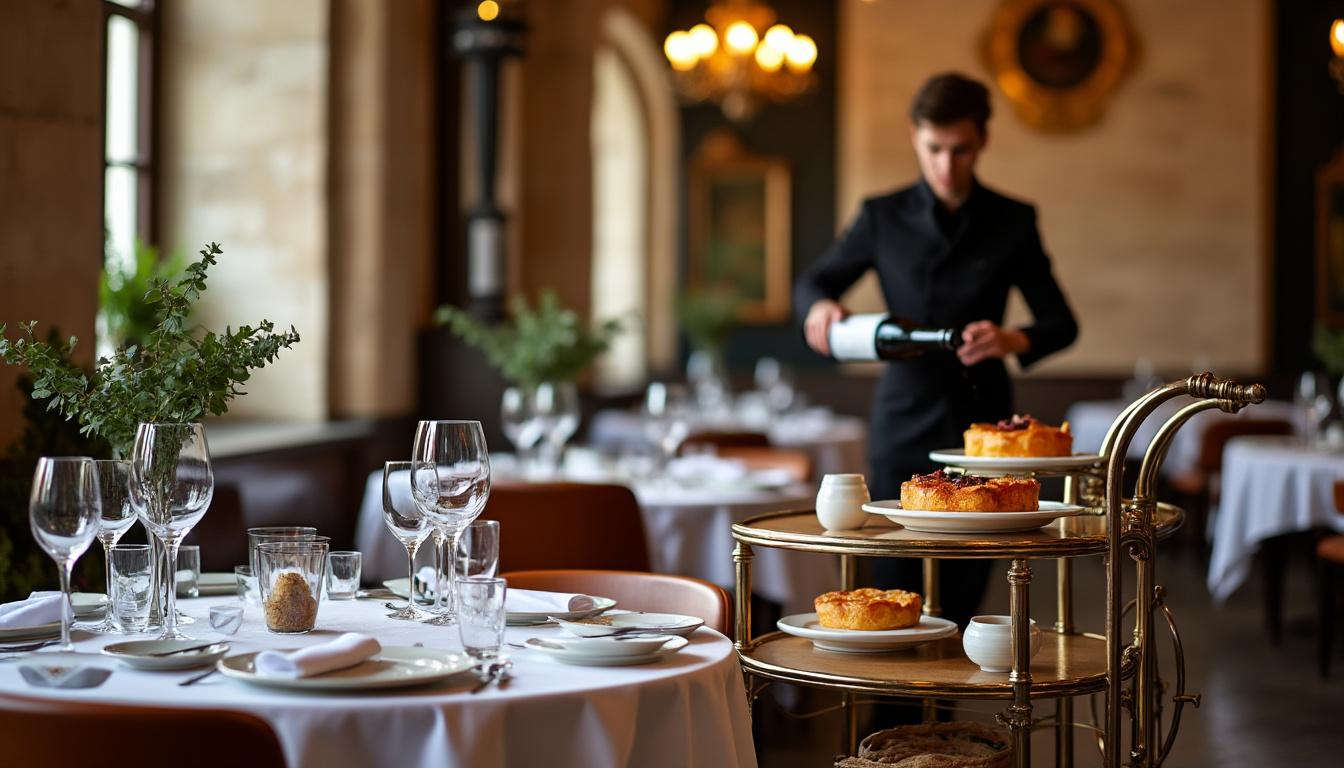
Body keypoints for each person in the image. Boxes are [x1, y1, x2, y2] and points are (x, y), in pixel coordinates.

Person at [795, 72, 1078, 630]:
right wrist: (821, 306)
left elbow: (1061, 323)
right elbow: (813, 282)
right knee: (893, 582)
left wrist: (1011, 338)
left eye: (960, 150)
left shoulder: (1012, 219)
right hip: (904, 416)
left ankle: (950, 687)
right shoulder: (881, 214)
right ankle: (893, 689)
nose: (946, 165)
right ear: (915, 138)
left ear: (982, 141)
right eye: (934, 149)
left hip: (985, 426)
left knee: (966, 587)